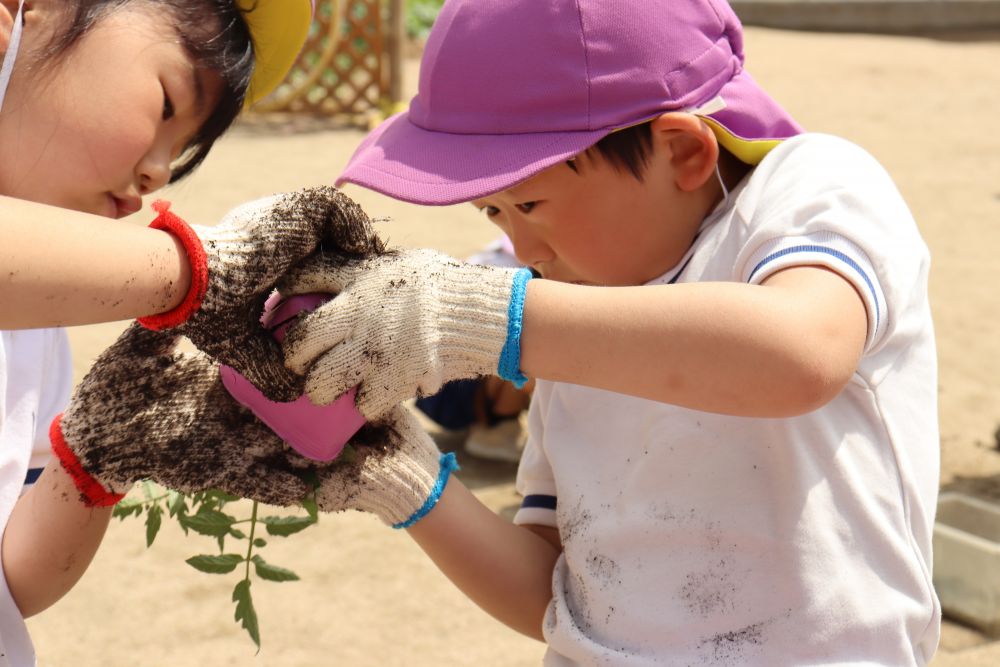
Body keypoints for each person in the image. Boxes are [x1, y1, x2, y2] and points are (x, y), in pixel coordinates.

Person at [270, 0, 941, 664]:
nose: (521, 248)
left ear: (682, 152)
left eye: (531, 204)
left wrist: (480, 317)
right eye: (494, 212)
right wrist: (399, 476)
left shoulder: (811, 187)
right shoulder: (577, 319)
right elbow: (558, 590)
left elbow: (800, 353)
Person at [0, 1, 325, 663]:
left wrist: (98, 452)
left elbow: (15, 582)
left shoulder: (38, 332)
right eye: (169, 103)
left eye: (179, 153)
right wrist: (201, 271)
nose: (157, 174)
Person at [414, 234, 535, 463]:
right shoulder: (515, 273)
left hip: (433, 385)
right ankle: (496, 428)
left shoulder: (496, 254)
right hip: (449, 392)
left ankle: (494, 422)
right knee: (535, 345)